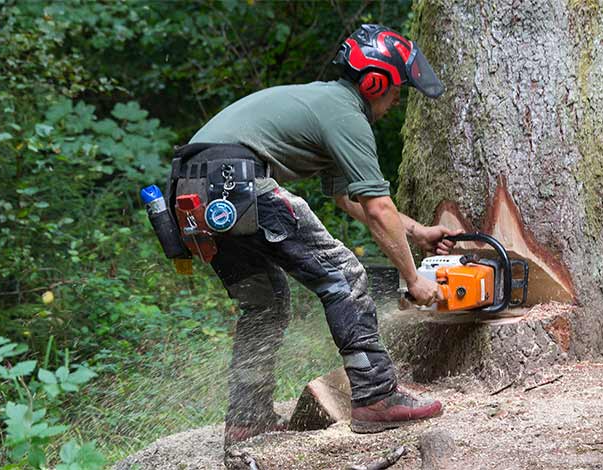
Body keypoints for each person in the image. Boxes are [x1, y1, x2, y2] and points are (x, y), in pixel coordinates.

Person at [170, 24, 460, 447]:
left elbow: (350, 199)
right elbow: (379, 208)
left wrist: (416, 234)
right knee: (344, 273)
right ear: (375, 81)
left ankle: (247, 420)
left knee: (265, 304)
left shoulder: (324, 105)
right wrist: (414, 279)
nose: (397, 100)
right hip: (237, 180)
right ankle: (376, 396)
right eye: (397, 89)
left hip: (189, 189)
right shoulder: (345, 113)